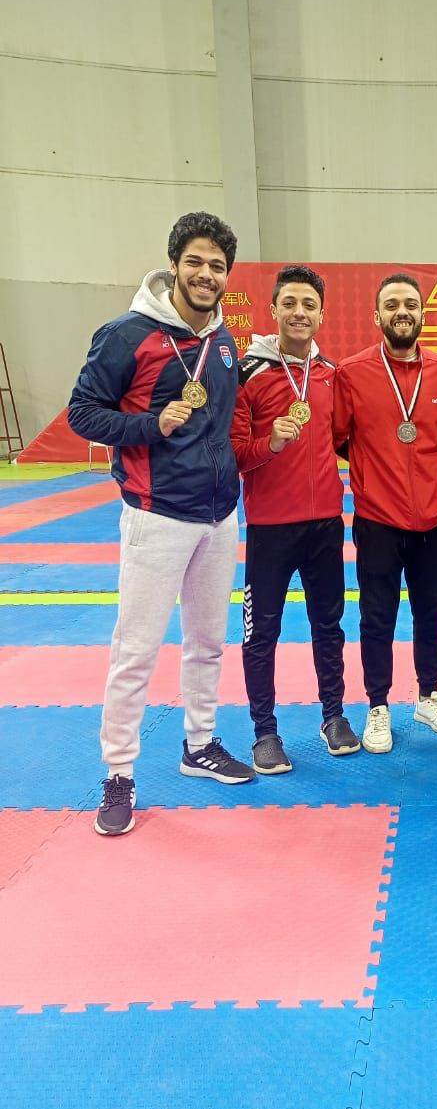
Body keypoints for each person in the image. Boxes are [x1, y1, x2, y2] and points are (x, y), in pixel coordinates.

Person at [68, 211, 254, 836]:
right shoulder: (126, 335)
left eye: (217, 266)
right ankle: (119, 772)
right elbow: (82, 414)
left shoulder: (224, 343)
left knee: (207, 643)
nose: (206, 275)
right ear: (173, 265)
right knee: (136, 650)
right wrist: (150, 426)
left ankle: (199, 743)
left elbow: (221, 428)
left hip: (218, 516)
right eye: (195, 262)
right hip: (156, 516)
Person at [230, 265, 359, 774]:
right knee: (261, 633)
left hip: (325, 524)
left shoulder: (330, 374)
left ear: (322, 314)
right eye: (290, 303)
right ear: (273, 310)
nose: (299, 313)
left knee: (329, 626)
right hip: (270, 527)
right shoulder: (249, 374)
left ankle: (333, 717)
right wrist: (271, 444)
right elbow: (235, 453)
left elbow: (342, 438)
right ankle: (264, 732)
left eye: (309, 305)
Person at [332, 273, 437, 754]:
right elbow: (338, 436)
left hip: (436, 518)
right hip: (378, 520)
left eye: (410, 303)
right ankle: (378, 705)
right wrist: (376, 470)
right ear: (377, 316)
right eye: (391, 305)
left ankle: (429, 696)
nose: (402, 312)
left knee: (433, 612)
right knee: (377, 617)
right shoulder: (351, 373)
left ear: (423, 313)